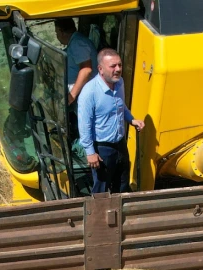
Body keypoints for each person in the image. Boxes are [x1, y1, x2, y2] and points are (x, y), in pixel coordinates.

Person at [77, 48, 145, 194]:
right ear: (100, 69)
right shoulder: (89, 92)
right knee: (101, 189)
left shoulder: (120, 83)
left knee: (122, 184)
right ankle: (98, 216)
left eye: (119, 65)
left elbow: (121, 106)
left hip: (120, 144)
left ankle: (120, 215)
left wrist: (131, 120)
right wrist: (90, 152)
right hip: (102, 149)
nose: (118, 69)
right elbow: (84, 125)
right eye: (113, 66)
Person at [54, 18, 97, 108]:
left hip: (82, 95)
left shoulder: (78, 43)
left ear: (61, 31)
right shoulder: (74, 43)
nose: (57, 36)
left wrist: (72, 96)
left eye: (56, 33)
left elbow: (86, 70)